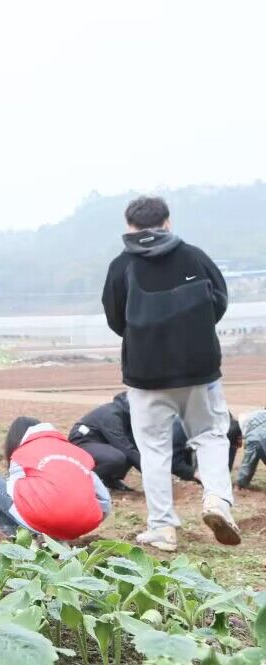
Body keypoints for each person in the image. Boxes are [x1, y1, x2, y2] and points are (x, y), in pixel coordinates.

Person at [102, 196, 239, 552]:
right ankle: (218, 502)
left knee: (154, 449)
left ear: (129, 226)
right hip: (199, 369)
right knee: (210, 435)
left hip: (145, 376)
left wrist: (146, 339)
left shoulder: (121, 266)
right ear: (168, 222)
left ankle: (162, 528)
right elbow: (219, 301)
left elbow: (116, 319)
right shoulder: (194, 256)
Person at [0, 417, 111, 541]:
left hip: (42, 518)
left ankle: (17, 535)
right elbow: (104, 500)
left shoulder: (23, 452)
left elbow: (14, 491)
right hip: (83, 524)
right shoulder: (76, 452)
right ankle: (56, 538)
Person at [69, 392, 207, 491]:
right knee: (118, 456)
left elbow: (137, 448)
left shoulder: (130, 418)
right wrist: (154, 473)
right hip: (83, 443)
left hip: (104, 445)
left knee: (133, 450)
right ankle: (85, 484)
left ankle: (111, 480)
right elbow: (123, 446)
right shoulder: (111, 414)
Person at [237, 407, 266, 489]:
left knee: (248, 462)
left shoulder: (254, 414)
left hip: (254, 439)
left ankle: (240, 486)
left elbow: (248, 464)